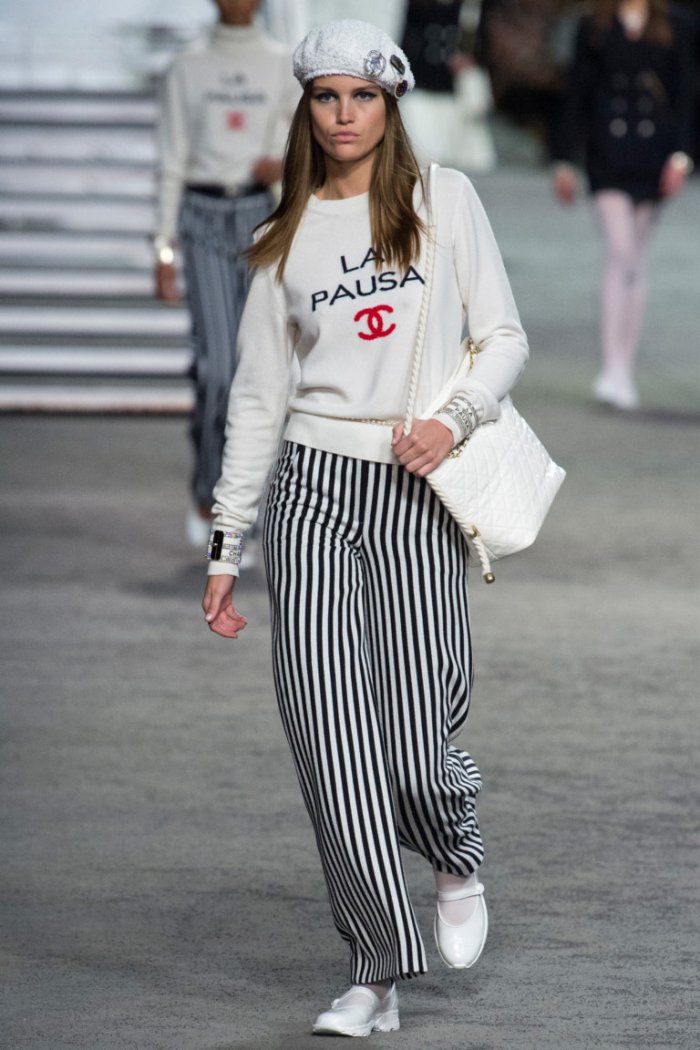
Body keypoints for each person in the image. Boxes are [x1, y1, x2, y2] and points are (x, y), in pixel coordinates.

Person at [202, 19, 529, 1037]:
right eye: (326, 97)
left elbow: (503, 337)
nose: (344, 115)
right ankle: (374, 972)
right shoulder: (283, 236)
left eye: (363, 96)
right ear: (305, 107)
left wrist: (453, 419)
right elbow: (256, 399)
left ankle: (454, 850)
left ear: (390, 105)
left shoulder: (444, 200)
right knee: (329, 737)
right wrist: (227, 541)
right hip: (311, 492)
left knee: (419, 748)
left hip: (415, 486)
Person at [154, 0, 296, 546]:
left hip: (265, 215)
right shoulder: (187, 67)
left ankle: (243, 504)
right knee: (218, 370)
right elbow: (171, 156)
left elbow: (303, 142)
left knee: (261, 368)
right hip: (203, 218)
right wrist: (163, 247)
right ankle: (209, 486)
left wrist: (286, 166)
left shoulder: (283, 64)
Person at [552, 0, 695, 410]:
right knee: (622, 252)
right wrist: (565, 159)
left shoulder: (675, 26)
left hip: (653, 156)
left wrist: (682, 156)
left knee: (636, 260)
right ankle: (612, 366)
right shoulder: (594, 27)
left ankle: (622, 369)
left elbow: (686, 94)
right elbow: (577, 91)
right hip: (607, 155)